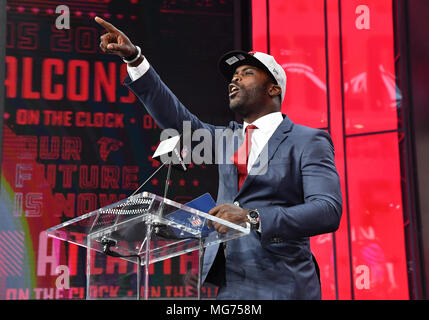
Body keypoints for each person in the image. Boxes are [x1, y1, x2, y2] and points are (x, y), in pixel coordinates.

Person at [95, 16, 343, 300]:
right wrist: (136, 59)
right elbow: (176, 119)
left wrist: (252, 217)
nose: (235, 80)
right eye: (233, 77)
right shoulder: (229, 139)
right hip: (229, 287)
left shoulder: (308, 140)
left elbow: (327, 210)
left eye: (246, 73)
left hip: (283, 284)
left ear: (273, 89)